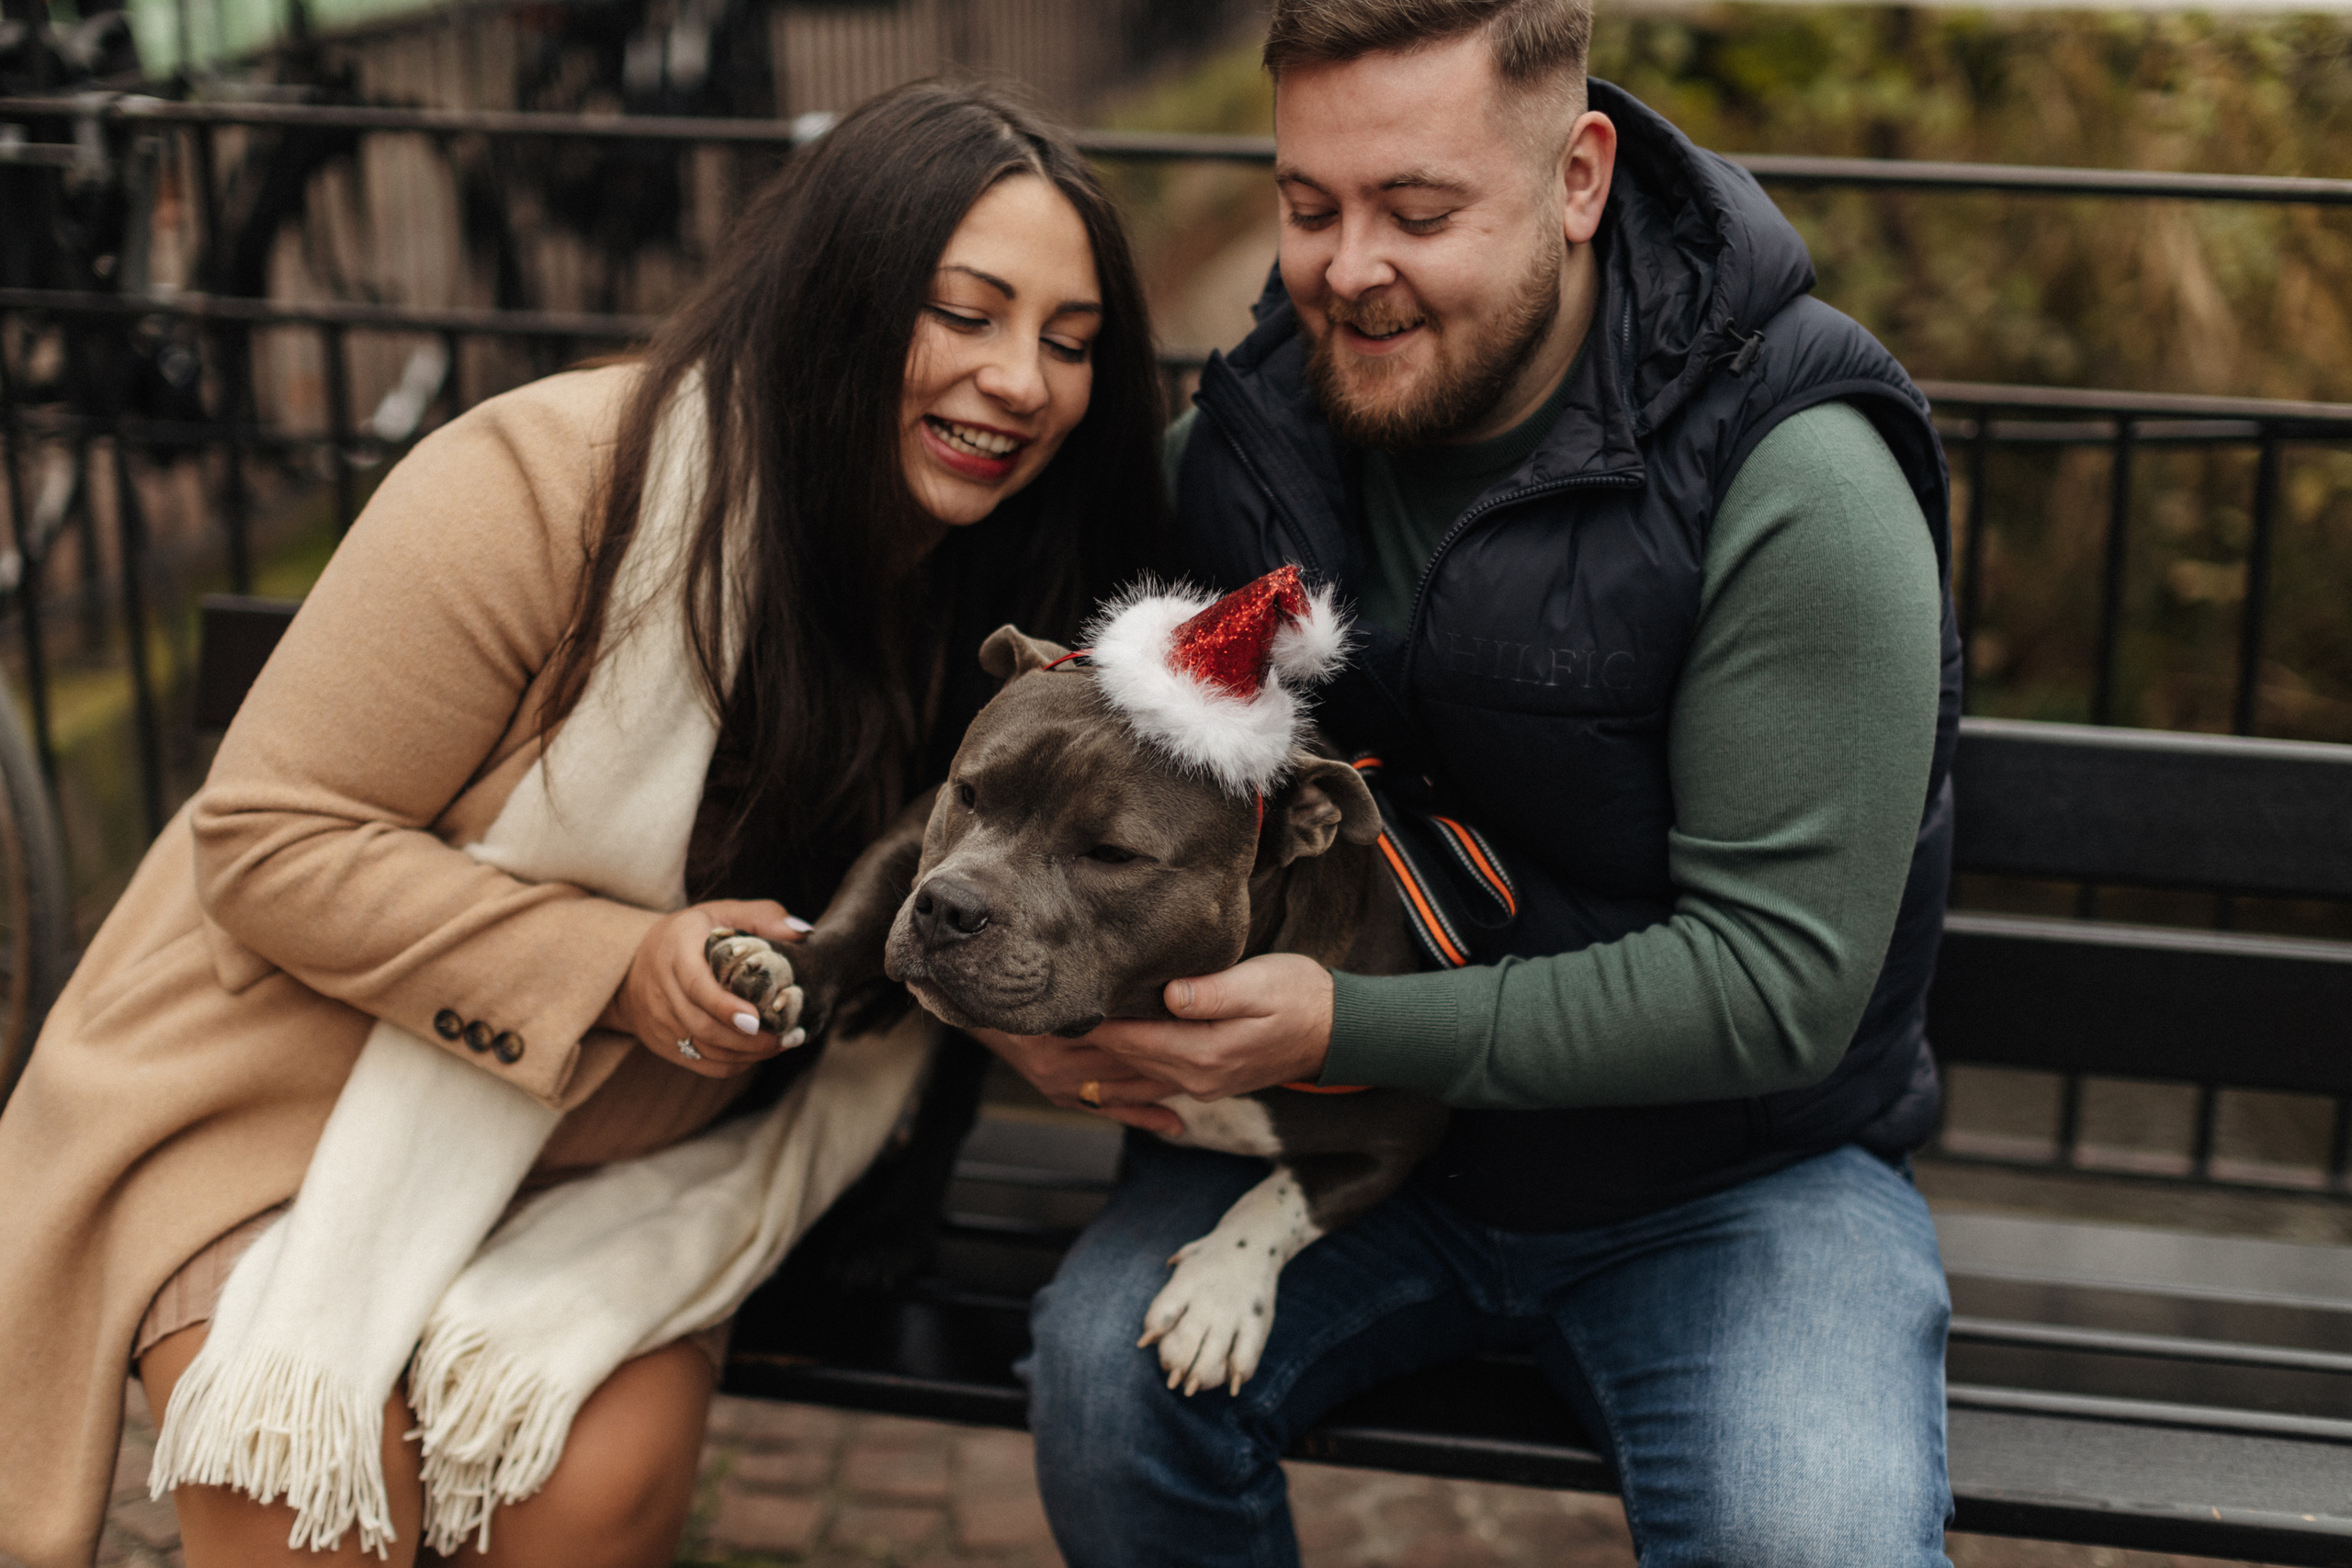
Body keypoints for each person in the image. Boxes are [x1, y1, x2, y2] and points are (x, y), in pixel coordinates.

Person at [0, 79, 1165, 1568]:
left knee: (591, 1487)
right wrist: (616, 966)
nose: (1021, 382)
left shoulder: (1015, 598)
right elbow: (269, 841)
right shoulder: (549, 482)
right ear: (836, 297)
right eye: (967, 312)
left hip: (636, 1151)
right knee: (316, 1507)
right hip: (296, 1094)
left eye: (1070, 345)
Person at [975, 2, 1963, 1563]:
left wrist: (1343, 1023)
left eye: (1418, 212)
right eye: (1309, 208)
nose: (1347, 268)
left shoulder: (1796, 474)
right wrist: (1051, 1039)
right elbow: (1054, 785)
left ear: (1578, 177)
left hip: (1726, 1175)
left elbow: (1783, 984)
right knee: (1110, 1395)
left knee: (1808, 1539)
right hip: (1329, 1153)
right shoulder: (1242, 447)